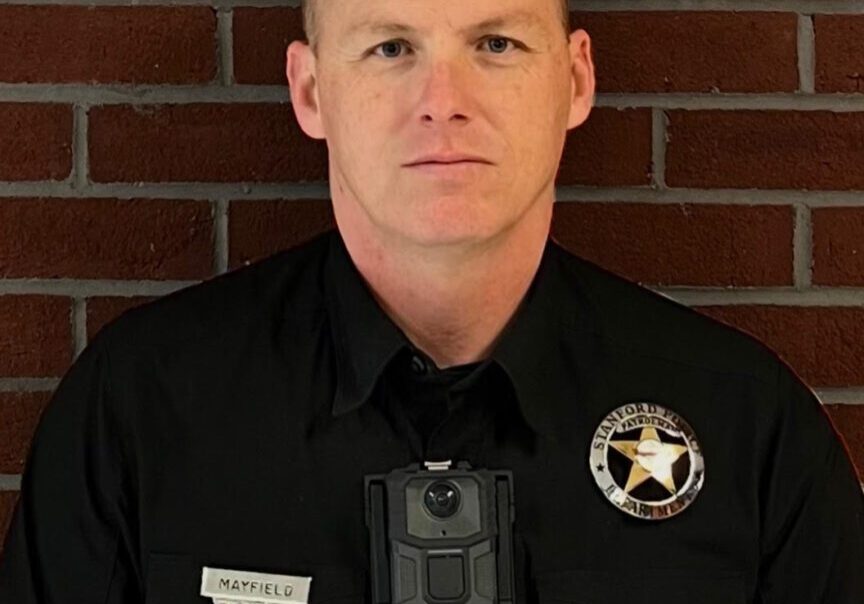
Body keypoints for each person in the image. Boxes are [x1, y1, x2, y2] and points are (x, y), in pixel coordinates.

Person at [1, 0, 862, 601]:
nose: (443, 104)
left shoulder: (745, 427)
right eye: (390, 48)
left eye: (496, 44)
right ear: (310, 91)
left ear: (575, 80)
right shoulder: (143, 409)